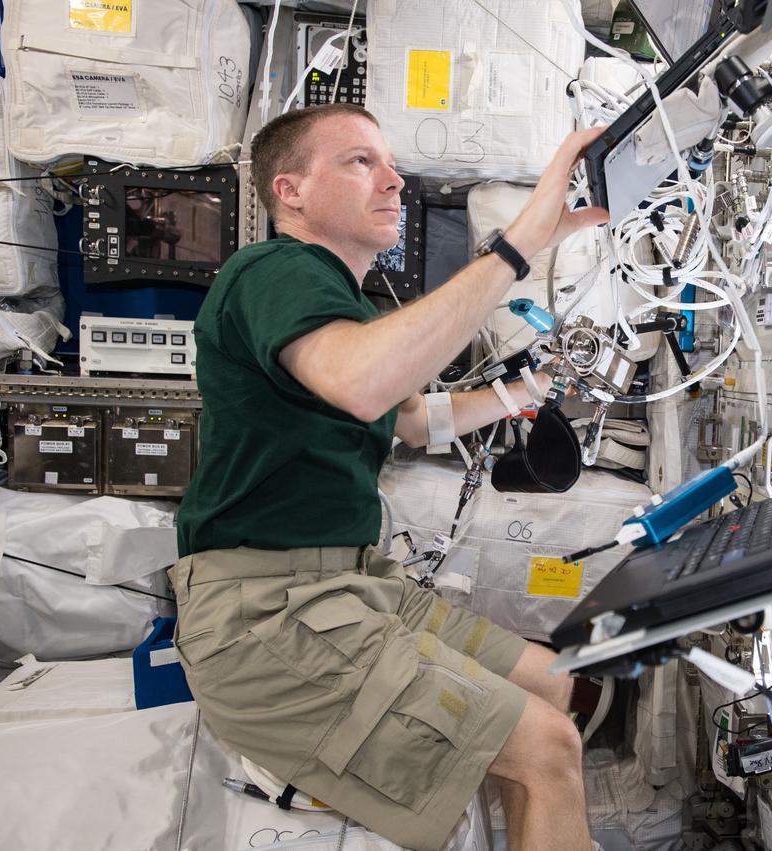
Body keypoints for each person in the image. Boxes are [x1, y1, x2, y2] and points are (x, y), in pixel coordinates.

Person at [170, 102, 608, 850]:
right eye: (358, 161)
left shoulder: (338, 303)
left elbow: (407, 418)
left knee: (558, 685)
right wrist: (516, 247)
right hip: (265, 617)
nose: (394, 180)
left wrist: (528, 392)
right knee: (546, 746)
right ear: (290, 191)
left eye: (389, 162)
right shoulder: (273, 269)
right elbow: (365, 384)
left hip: (348, 588)